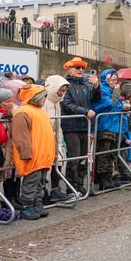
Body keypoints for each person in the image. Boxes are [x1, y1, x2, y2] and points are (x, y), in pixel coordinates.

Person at [11, 84, 56, 221]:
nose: (44, 99)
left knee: (41, 182)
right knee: (31, 183)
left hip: (43, 155)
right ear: (34, 97)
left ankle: (37, 203)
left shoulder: (40, 111)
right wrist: (26, 153)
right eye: (42, 97)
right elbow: (21, 136)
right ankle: (27, 206)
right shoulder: (23, 112)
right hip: (33, 156)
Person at [59, 57, 101, 195]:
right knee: (74, 158)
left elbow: (95, 99)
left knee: (84, 157)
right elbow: (66, 104)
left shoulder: (86, 83)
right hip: (71, 126)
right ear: (69, 69)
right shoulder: (65, 84)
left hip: (85, 126)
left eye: (82, 68)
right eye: (77, 68)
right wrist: (85, 112)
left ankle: (79, 184)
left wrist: (96, 87)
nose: (81, 70)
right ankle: (71, 187)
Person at [91, 69, 126, 191]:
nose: (115, 82)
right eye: (112, 79)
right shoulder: (102, 90)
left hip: (115, 126)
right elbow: (109, 104)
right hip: (105, 126)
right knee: (104, 154)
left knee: (112, 154)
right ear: (106, 79)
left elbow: (119, 106)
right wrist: (116, 92)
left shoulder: (112, 90)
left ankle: (109, 177)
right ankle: (103, 180)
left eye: (116, 80)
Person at [42, 75, 75, 203]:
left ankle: (55, 189)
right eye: (60, 89)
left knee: (59, 162)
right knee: (46, 165)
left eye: (64, 90)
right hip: (46, 137)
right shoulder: (44, 101)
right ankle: (43, 191)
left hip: (57, 137)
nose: (62, 92)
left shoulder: (57, 103)